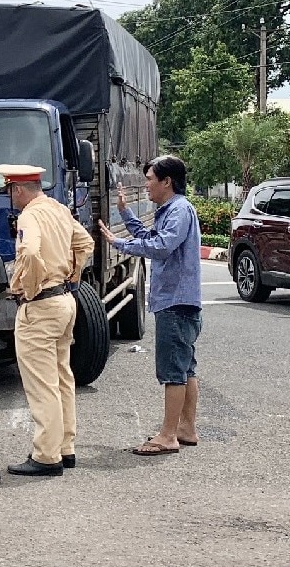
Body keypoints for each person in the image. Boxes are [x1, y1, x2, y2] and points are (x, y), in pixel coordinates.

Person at [99, 155, 203, 457]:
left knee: (173, 370)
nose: (146, 185)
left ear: (166, 182)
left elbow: (160, 247)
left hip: (176, 301)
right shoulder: (172, 211)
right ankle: (186, 428)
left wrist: (120, 244)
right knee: (186, 368)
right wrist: (126, 215)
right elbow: (152, 238)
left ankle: (168, 435)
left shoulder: (180, 210)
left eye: (149, 179)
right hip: (178, 300)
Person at [0, 164, 94, 477]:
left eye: (10, 190)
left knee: (42, 385)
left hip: (40, 306)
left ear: (18, 189)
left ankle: (46, 455)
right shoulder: (58, 209)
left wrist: (29, 286)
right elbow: (85, 244)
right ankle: (65, 447)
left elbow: (28, 251)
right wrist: (71, 275)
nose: (10, 197)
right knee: (62, 377)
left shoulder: (29, 215)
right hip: (65, 300)